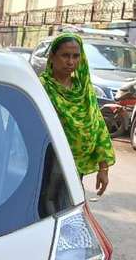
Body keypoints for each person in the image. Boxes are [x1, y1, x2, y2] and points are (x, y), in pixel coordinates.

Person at [40, 33, 115, 195]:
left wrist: (103, 168)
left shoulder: (84, 91)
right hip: (46, 166)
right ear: (52, 57)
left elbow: (99, 127)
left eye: (76, 56)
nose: (70, 62)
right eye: (65, 56)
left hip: (76, 169)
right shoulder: (42, 88)